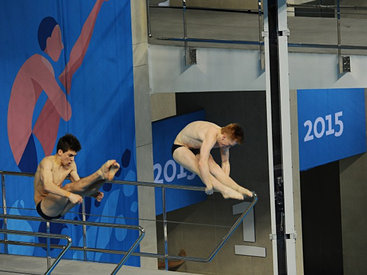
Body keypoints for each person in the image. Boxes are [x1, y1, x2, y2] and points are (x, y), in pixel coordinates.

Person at [8, 0, 108, 173]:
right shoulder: (38, 64)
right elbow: (66, 112)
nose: (62, 46)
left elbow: (77, 56)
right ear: (48, 41)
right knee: (67, 75)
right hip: (25, 149)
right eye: (59, 40)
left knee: (71, 69)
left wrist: (97, 5)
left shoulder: (41, 66)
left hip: (29, 145)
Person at [34, 134, 120, 220]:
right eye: (70, 155)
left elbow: (80, 185)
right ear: (60, 152)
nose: (72, 159)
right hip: (44, 208)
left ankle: (105, 178)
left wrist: (94, 194)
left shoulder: (71, 165)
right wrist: (69, 195)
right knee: (68, 188)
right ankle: (100, 173)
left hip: (61, 209)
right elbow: (47, 185)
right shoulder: (47, 162)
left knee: (82, 191)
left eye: (74, 156)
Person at [172, 121, 253, 200]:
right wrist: (209, 184)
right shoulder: (212, 135)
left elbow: (225, 163)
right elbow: (202, 163)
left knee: (215, 167)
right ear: (223, 137)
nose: (227, 147)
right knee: (199, 169)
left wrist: (226, 184)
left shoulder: (224, 140)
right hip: (180, 146)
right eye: (228, 145)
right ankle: (225, 191)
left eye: (230, 146)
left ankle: (238, 188)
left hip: (197, 147)